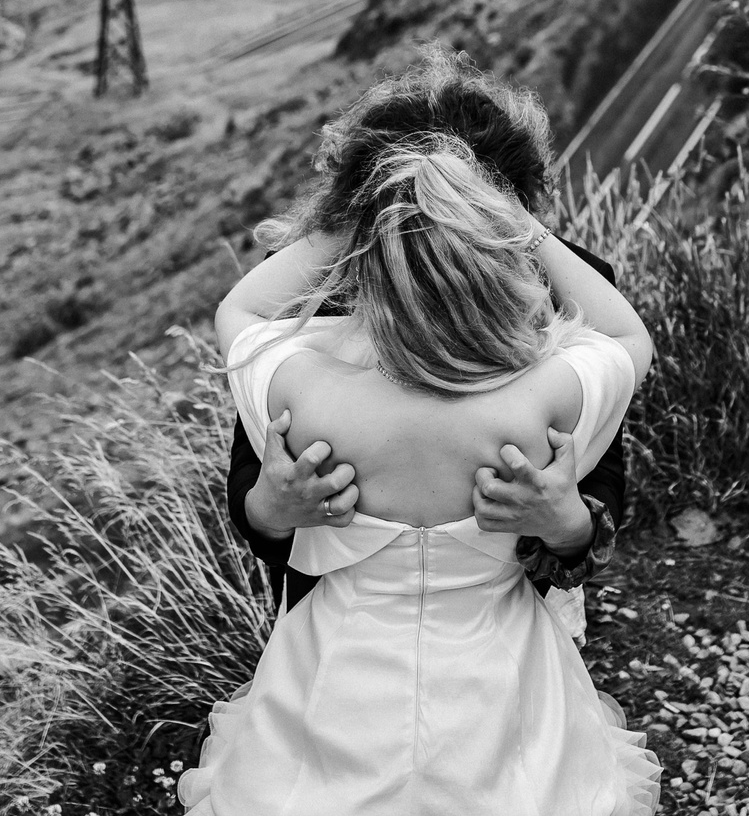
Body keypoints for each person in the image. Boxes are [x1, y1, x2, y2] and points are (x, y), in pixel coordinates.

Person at [181, 76, 659, 814]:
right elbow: (630, 338)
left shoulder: (301, 364)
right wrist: (271, 507)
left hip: (345, 667)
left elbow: (237, 310)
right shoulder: (560, 354)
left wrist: (568, 522)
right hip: (496, 657)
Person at [224, 53, 627, 632]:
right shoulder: (306, 293)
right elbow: (252, 474)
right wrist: (270, 511)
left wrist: (570, 527)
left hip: (518, 622)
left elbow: (606, 475)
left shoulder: (570, 287)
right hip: (333, 625)